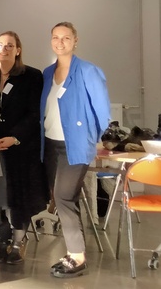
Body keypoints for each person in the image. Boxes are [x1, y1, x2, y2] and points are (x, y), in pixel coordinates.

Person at [41, 22, 110, 278]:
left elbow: (102, 112)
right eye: (55, 37)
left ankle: (78, 257)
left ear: (75, 41)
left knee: (63, 197)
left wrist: (92, 140)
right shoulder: (48, 73)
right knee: (63, 198)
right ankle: (73, 252)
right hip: (50, 143)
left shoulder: (88, 71)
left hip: (76, 145)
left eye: (66, 37)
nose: (60, 42)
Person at [0, 31, 46, 265]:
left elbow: (34, 114)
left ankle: (18, 242)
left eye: (10, 45)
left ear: (18, 50)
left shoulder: (31, 76)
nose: (4, 49)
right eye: (0, 45)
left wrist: (15, 137)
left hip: (21, 147)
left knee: (18, 197)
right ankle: (2, 241)